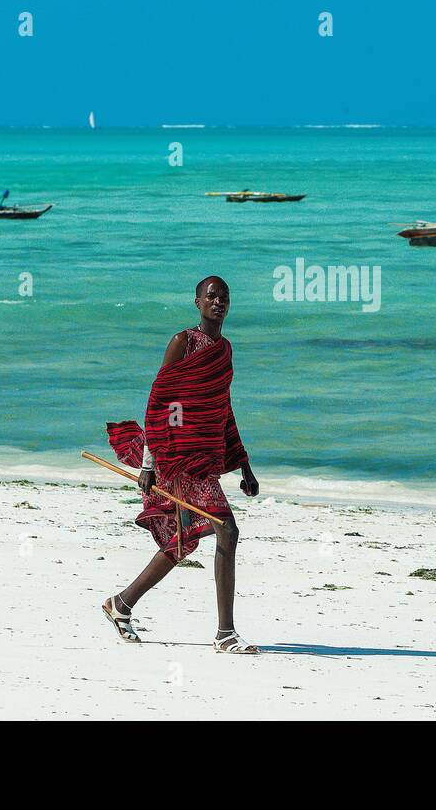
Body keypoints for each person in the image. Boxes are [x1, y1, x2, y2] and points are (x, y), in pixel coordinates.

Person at [104, 276, 260, 653]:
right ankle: (226, 634)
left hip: (203, 458)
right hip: (176, 459)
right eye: (211, 296)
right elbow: (160, 401)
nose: (218, 302)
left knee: (183, 540)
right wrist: (149, 463)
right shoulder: (184, 342)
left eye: (224, 297)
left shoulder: (224, 350)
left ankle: (120, 604)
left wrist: (244, 464)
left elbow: (222, 408)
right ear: (196, 302)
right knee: (226, 529)